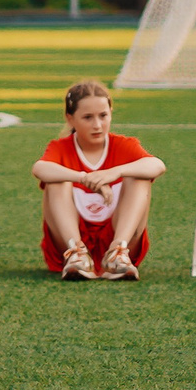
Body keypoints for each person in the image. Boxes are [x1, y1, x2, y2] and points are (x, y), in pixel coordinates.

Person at [31, 79, 164, 280]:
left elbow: (157, 165)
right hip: (67, 243)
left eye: (103, 116)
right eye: (87, 117)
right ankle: (77, 255)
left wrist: (116, 172)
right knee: (57, 180)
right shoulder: (61, 148)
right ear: (70, 119)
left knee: (140, 176)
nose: (97, 125)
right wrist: (83, 177)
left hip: (119, 237)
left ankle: (118, 254)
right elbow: (40, 168)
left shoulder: (123, 145)